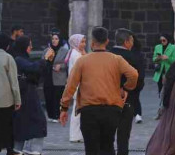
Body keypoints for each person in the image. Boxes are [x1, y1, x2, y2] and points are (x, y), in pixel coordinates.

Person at [59, 26, 139, 155]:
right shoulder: (116, 59)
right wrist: (125, 88)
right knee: (108, 146)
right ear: (107, 41)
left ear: (92, 42)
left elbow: (70, 86)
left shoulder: (82, 61)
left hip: (89, 110)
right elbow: (133, 75)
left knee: (91, 149)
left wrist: (64, 108)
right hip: (111, 109)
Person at [12, 35, 52, 155]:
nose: (31, 47)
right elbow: (33, 68)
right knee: (31, 123)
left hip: (29, 96)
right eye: (29, 45)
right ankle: (24, 150)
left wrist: (47, 62)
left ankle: (29, 150)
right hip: (24, 97)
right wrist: (44, 58)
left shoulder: (25, 59)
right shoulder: (18, 59)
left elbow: (38, 74)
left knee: (32, 123)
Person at [111, 29, 144, 155]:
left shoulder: (108, 55)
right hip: (128, 100)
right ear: (126, 42)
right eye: (131, 40)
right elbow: (139, 79)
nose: (132, 43)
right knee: (123, 136)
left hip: (107, 100)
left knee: (107, 136)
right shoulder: (134, 57)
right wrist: (128, 90)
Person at [43, 32, 70, 123]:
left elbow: (68, 64)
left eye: (56, 39)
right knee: (48, 96)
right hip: (48, 77)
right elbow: (42, 62)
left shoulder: (65, 51)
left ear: (60, 40)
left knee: (58, 97)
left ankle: (58, 115)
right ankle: (50, 115)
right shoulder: (47, 50)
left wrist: (61, 66)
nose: (54, 41)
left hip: (59, 78)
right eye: (53, 39)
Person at [65, 34, 86, 143]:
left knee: (78, 112)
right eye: (82, 42)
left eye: (84, 41)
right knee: (77, 112)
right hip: (78, 86)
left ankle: (78, 134)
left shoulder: (77, 53)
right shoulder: (76, 54)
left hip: (78, 86)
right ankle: (74, 135)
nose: (84, 44)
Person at [131, 37, 147, 123]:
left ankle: (136, 114)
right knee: (135, 97)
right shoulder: (139, 54)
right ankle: (137, 114)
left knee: (133, 97)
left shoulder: (130, 54)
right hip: (138, 79)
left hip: (134, 79)